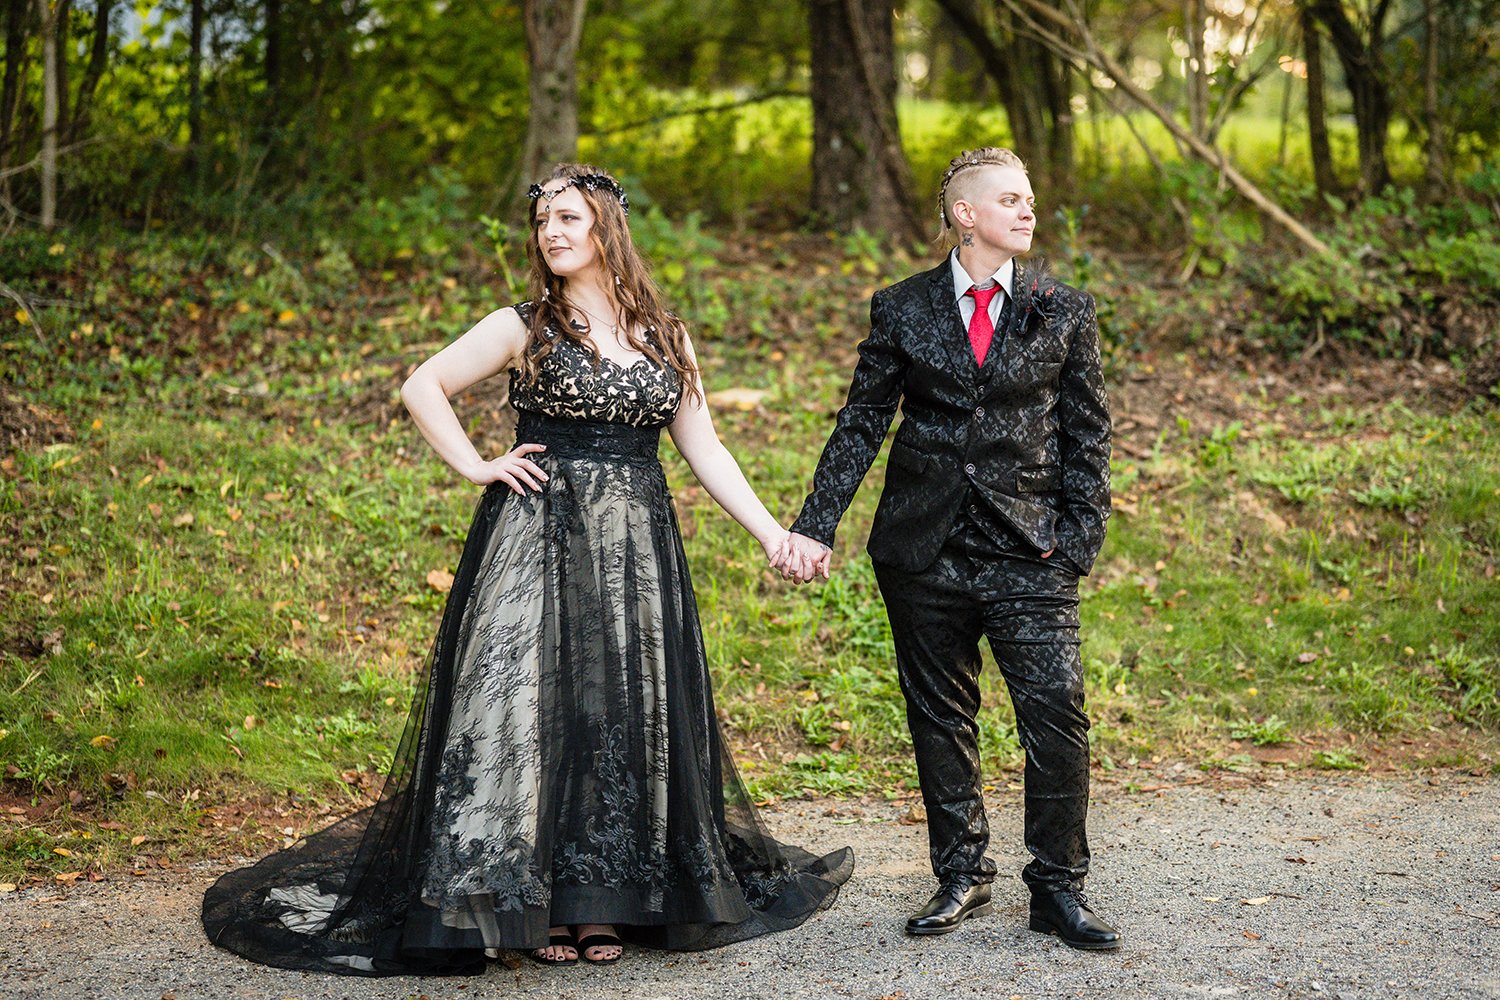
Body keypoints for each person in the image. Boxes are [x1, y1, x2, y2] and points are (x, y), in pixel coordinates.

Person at [202, 163, 851, 976]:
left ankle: (601, 901)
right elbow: (423, 384)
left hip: (636, 551)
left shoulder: (665, 334)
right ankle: (527, 901)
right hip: (534, 539)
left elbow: (704, 447)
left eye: (568, 218)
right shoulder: (525, 325)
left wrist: (770, 534)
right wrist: (477, 465)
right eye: (543, 220)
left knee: (619, 710)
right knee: (528, 714)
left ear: (607, 227)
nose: (551, 232)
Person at [774, 147, 1119, 950]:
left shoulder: (1064, 308)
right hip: (921, 550)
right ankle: (962, 872)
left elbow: (1088, 435)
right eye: (1010, 199)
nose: (1028, 211)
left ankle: (1058, 887)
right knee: (940, 717)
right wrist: (815, 524)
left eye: (1030, 198)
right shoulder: (901, 307)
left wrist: (1075, 543)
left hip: (1029, 550)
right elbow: (863, 421)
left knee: (1058, 716)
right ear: (965, 214)